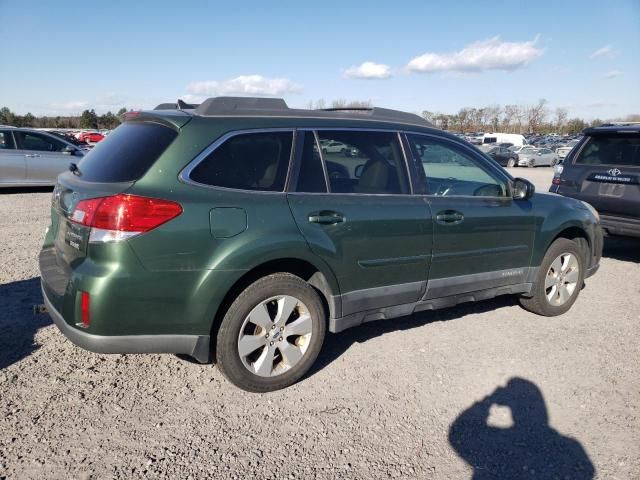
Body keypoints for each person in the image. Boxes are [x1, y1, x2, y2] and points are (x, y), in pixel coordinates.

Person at [449, 377, 595, 479]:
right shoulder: (569, 446)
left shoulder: (496, 442)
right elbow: (588, 472)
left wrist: (489, 400)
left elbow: (457, 434)